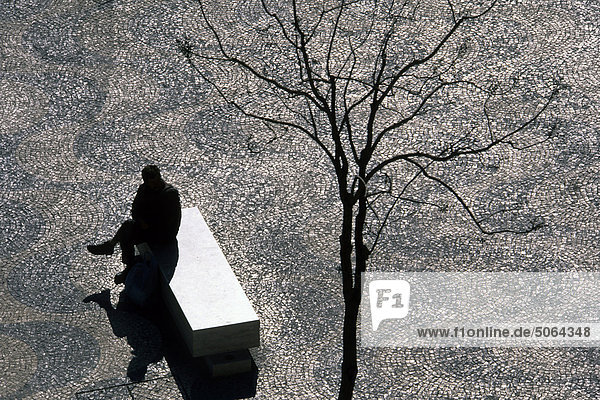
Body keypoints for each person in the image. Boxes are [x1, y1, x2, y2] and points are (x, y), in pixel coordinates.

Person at [87, 165, 181, 284]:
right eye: (150, 182)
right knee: (128, 227)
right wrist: (141, 221)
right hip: (146, 228)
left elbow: (171, 221)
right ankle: (124, 260)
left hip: (162, 234)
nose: (154, 185)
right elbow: (135, 209)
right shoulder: (144, 189)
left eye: (156, 181)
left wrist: (150, 225)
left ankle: (112, 248)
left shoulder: (169, 194)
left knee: (128, 231)